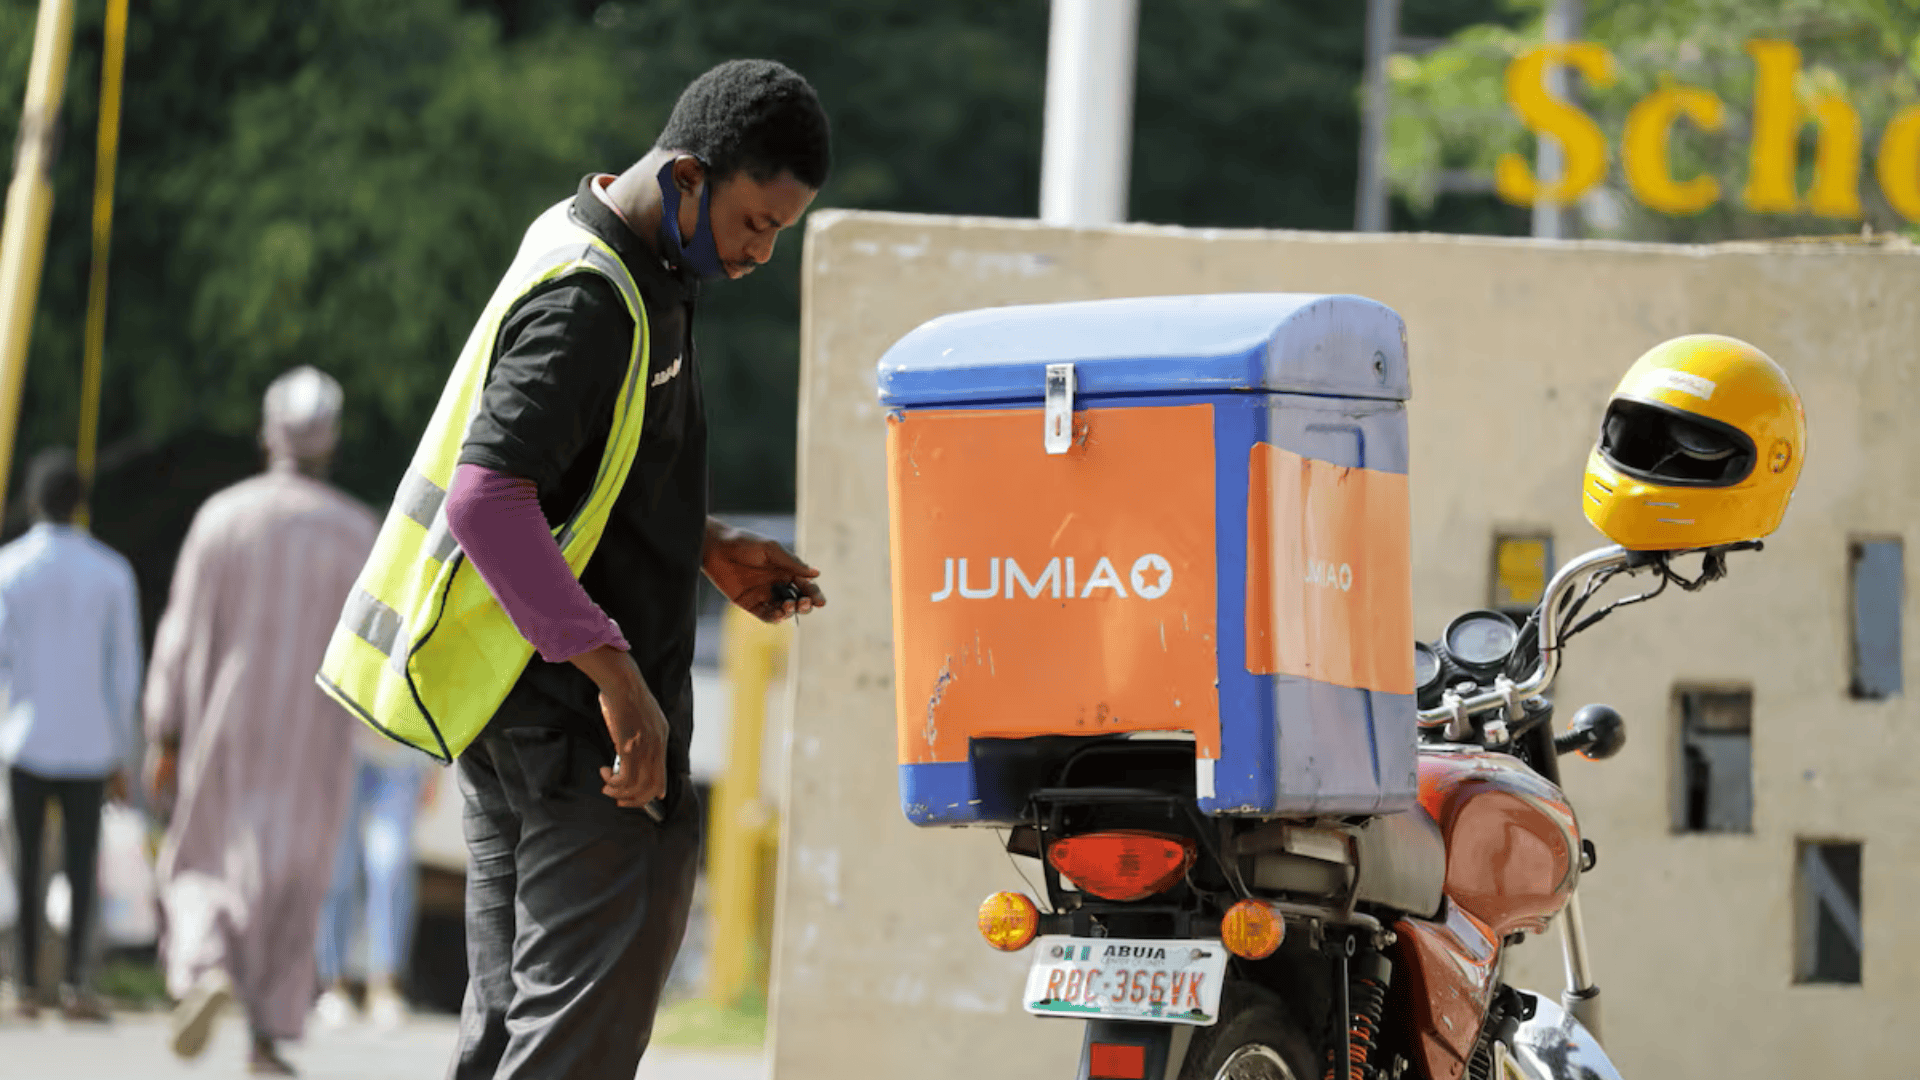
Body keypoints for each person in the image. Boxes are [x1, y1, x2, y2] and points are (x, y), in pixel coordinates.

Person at [315, 59, 829, 1080]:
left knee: (512, 1029)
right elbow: (489, 500)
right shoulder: (593, 299)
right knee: (570, 1041)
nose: (762, 252)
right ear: (689, 175)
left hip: (520, 717)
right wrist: (621, 680)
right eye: (757, 222)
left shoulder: (630, 260)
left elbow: (586, 477)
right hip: (574, 732)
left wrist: (705, 544)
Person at [145, 367, 377, 1076]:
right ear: (330, 441)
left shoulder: (221, 517)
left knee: (205, 861)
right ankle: (271, 1036)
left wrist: (166, 731)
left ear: (267, 431)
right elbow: (380, 650)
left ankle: (204, 967)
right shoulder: (357, 531)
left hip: (225, 730)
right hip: (319, 738)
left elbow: (181, 635)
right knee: (293, 874)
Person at [0, 449, 141, 1022]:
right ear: (80, 505)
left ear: (33, 501)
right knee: (82, 866)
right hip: (90, 741)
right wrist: (124, 750)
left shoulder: (8, 568)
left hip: (22, 738)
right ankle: (79, 983)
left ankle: (27, 983)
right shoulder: (111, 571)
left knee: (25, 864)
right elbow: (124, 669)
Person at [311, 724, 438, 1031]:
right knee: (338, 870)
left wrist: (436, 763)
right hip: (342, 748)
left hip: (406, 749)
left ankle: (385, 984)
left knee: (391, 865)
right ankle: (333, 984)